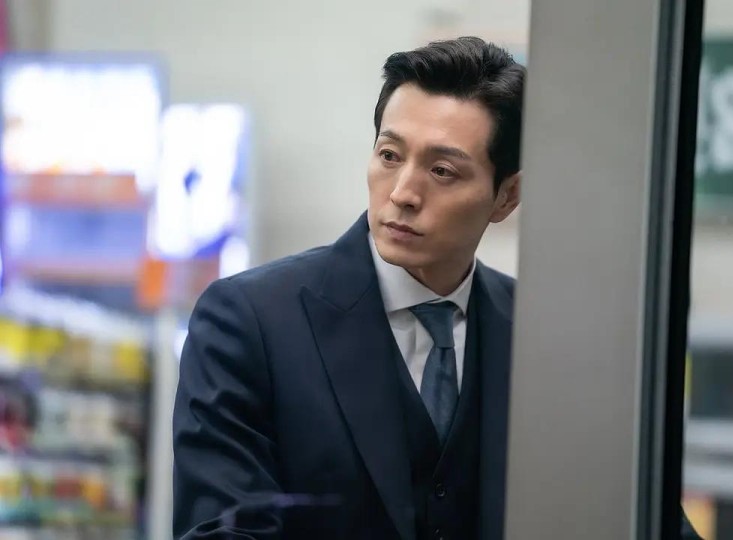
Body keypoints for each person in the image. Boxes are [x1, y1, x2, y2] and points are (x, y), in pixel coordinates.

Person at [172, 37, 702, 540]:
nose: (403, 193)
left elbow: (638, 514)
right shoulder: (249, 321)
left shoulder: (546, 338)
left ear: (507, 196)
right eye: (389, 155)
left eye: (443, 170)